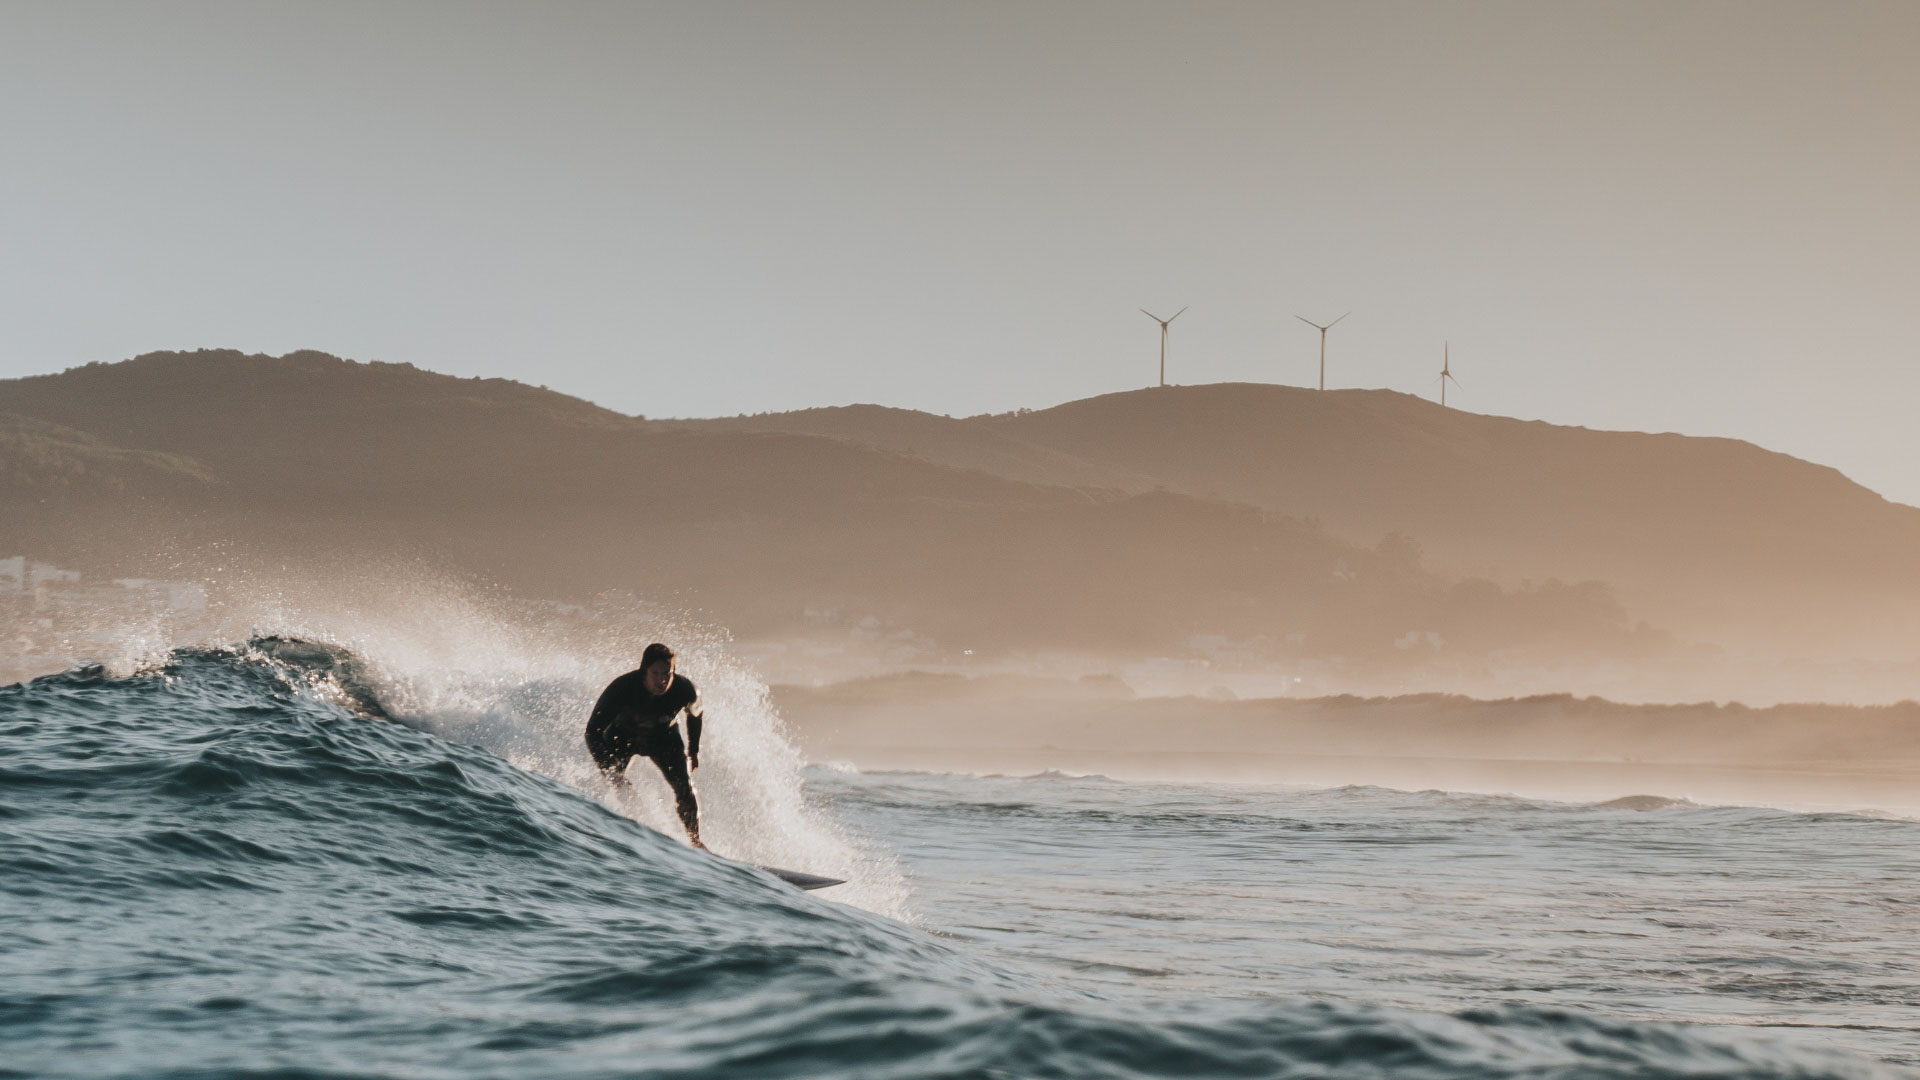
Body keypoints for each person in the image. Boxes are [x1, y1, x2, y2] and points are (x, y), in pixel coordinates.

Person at [584, 642, 707, 849]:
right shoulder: (622, 688)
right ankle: (613, 831)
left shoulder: (685, 690)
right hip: (622, 736)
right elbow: (592, 731)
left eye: (667, 674)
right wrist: (607, 768)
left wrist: (693, 750)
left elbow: (696, 715)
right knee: (614, 783)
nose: (662, 680)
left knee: (684, 788)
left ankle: (695, 841)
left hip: (663, 738)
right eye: (655, 673)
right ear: (644, 671)